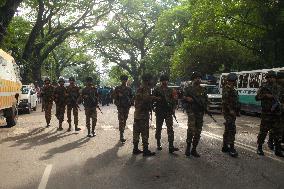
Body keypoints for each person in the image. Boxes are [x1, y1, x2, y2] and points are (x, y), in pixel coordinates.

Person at [255, 71, 284, 157]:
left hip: (277, 113)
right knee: (263, 131)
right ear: (267, 78)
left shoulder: (279, 88)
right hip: (267, 113)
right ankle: (259, 147)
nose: (271, 79)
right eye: (269, 77)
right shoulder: (264, 87)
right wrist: (265, 96)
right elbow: (257, 98)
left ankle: (278, 149)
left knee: (278, 132)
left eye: (273, 77)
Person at [132, 73, 159, 156]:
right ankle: (145, 150)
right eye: (151, 79)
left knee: (136, 132)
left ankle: (135, 149)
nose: (152, 81)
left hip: (137, 114)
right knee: (144, 132)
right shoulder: (145, 88)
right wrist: (155, 98)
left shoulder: (140, 88)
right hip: (143, 114)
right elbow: (146, 99)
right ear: (148, 80)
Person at [152, 74, 179, 153]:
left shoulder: (171, 90)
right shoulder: (157, 89)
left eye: (166, 80)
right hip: (159, 111)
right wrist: (157, 98)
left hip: (168, 112)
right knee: (159, 128)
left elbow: (174, 101)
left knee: (170, 129)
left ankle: (171, 146)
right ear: (161, 81)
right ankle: (158, 143)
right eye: (163, 80)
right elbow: (152, 98)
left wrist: (173, 109)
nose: (165, 81)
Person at [183, 72, 207, 157]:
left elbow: (206, 100)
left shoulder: (203, 89)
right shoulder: (188, 89)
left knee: (198, 132)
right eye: (197, 78)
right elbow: (183, 97)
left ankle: (194, 149)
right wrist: (187, 98)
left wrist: (206, 107)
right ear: (193, 79)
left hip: (200, 113)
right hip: (192, 112)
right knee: (191, 130)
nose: (198, 79)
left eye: (199, 78)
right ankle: (188, 147)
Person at [221, 73, 240, 157]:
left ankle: (225, 146)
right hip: (229, 112)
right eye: (235, 80)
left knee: (228, 129)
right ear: (233, 81)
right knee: (232, 129)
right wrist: (231, 110)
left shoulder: (232, 88)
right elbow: (225, 101)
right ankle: (231, 148)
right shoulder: (227, 88)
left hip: (232, 112)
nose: (236, 82)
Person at [113, 75, 133, 143]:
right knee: (121, 121)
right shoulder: (117, 88)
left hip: (127, 107)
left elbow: (131, 97)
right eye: (123, 80)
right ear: (121, 80)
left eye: (125, 79)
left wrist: (130, 104)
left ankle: (122, 131)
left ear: (127, 80)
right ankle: (121, 135)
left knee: (124, 120)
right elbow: (114, 98)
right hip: (121, 107)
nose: (124, 81)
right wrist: (118, 104)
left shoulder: (129, 89)